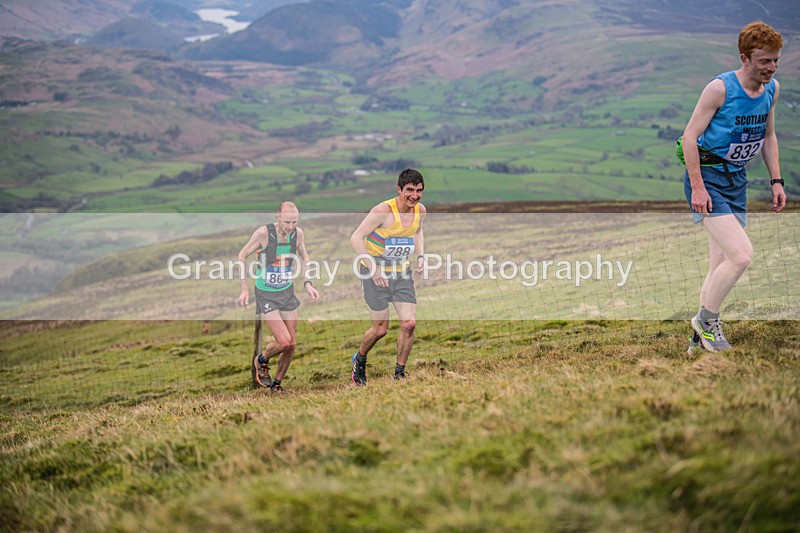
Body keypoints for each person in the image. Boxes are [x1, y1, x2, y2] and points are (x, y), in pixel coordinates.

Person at [678, 21, 786, 352]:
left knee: (720, 264)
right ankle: (707, 322)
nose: (771, 67)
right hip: (708, 180)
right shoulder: (720, 89)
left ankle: (699, 339)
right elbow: (689, 138)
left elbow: (768, 136)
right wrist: (698, 188)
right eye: (764, 60)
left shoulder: (772, 89)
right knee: (741, 256)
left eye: (776, 60)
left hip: (736, 180)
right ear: (745, 57)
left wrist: (776, 180)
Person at [349, 169, 427, 385]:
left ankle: (399, 373)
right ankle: (360, 359)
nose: (414, 195)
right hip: (375, 275)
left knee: (409, 324)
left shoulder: (420, 210)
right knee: (380, 329)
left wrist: (421, 256)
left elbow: (418, 231)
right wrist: (372, 268)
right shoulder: (382, 211)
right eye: (409, 190)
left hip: (401, 273)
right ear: (399, 190)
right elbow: (356, 237)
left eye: (419, 191)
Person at [238, 202, 319, 391]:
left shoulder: (298, 234)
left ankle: (276, 384)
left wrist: (308, 282)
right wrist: (244, 288)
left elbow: (305, 257)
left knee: (291, 344)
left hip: (286, 291)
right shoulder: (263, 233)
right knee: (283, 341)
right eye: (287, 222)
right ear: (277, 217)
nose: (290, 226)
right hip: (266, 294)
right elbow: (242, 255)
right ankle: (261, 360)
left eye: (294, 221)